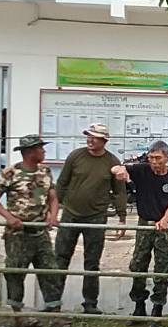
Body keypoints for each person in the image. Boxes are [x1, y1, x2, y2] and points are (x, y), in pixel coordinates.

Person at [54, 122, 128, 315]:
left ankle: (90, 303)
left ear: (104, 140)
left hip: (96, 217)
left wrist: (122, 218)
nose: (90, 140)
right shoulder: (75, 156)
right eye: (88, 136)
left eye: (94, 137)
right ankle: (53, 301)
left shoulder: (112, 162)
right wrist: (52, 211)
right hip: (70, 214)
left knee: (92, 261)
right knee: (60, 258)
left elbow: (119, 192)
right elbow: (61, 183)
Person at [0, 134, 65, 318]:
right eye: (40, 148)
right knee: (15, 272)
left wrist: (53, 216)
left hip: (40, 232)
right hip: (18, 234)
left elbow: (53, 197)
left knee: (50, 272)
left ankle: (55, 315)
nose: (43, 151)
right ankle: (18, 316)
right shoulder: (10, 173)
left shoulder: (45, 171)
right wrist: (9, 218)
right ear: (30, 152)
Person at [122, 140, 168, 317]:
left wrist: (164, 220)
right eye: (151, 158)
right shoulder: (142, 170)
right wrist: (120, 171)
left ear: (167, 158)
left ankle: (158, 307)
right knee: (138, 264)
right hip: (144, 224)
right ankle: (138, 306)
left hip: (164, 226)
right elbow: (120, 168)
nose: (154, 162)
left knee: (163, 265)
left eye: (158, 158)